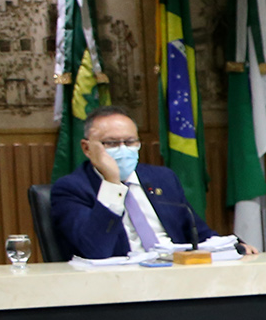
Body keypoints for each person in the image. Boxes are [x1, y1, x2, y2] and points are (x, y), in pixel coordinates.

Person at [49, 105, 253, 258]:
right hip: (119, 284)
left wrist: (234, 247)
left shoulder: (162, 178)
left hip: (176, 273)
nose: (123, 149)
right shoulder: (72, 189)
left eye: (130, 142)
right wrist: (112, 184)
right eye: (111, 143)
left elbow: (198, 234)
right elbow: (94, 249)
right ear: (87, 148)